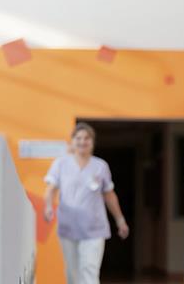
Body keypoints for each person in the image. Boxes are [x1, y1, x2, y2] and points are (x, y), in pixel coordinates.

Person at [43, 122, 130, 284]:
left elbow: (109, 195)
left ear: (92, 142)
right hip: (68, 227)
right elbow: (51, 188)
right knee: (72, 273)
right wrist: (48, 206)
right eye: (79, 138)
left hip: (94, 229)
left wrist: (120, 220)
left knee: (89, 271)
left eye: (87, 138)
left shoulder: (100, 166)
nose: (82, 142)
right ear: (72, 141)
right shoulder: (61, 164)